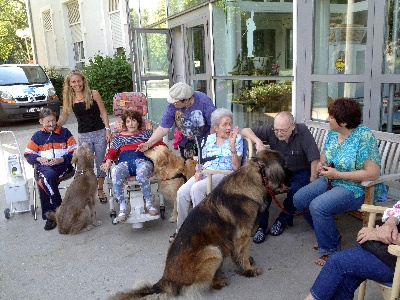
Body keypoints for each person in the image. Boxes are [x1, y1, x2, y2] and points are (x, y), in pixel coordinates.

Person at [294, 98, 386, 266]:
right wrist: (322, 164)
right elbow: (324, 154)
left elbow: (372, 174)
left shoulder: (364, 137)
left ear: (343, 122)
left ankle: (330, 249)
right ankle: (329, 235)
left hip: (357, 188)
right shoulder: (333, 132)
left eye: (331, 117)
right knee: (299, 198)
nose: (327, 119)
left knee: (318, 206)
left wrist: (338, 175)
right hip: (333, 179)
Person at [241, 111, 320, 243]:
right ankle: (262, 226)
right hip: (279, 171)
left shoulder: (302, 131)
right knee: (262, 186)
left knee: (297, 189)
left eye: (282, 130)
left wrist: (313, 180)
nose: (278, 133)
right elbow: (245, 130)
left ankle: (282, 220)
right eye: (276, 130)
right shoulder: (272, 130)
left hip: (299, 170)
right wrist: (258, 141)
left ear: (293, 126)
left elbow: (314, 157)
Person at [170, 108, 243, 242]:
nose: (228, 127)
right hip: (205, 173)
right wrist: (198, 171)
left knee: (197, 189)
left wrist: (232, 146)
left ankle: (202, 231)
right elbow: (201, 160)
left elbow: (236, 167)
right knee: (181, 192)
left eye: (230, 124)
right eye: (224, 124)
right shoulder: (208, 140)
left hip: (224, 175)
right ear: (216, 127)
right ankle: (181, 232)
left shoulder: (236, 139)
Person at [304, 201, 400, 300]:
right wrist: (390, 223)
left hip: (395, 258)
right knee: (344, 279)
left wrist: (377, 234)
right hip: (384, 249)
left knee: (338, 262)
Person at [58, 69, 111, 204]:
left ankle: (100, 189)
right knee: (87, 165)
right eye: (73, 82)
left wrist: (108, 129)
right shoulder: (70, 98)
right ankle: (89, 191)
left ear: (83, 81)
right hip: (84, 135)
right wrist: (54, 126)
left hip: (99, 132)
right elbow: (64, 115)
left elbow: (104, 112)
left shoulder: (94, 94)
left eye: (78, 81)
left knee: (101, 163)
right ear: (70, 84)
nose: (77, 84)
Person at [100, 110, 163, 222]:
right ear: (125, 124)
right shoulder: (119, 137)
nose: (131, 124)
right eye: (128, 121)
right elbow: (112, 151)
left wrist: (166, 153)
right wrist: (108, 161)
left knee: (142, 172)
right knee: (115, 172)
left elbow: (160, 145)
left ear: (138, 122)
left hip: (142, 160)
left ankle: (148, 203)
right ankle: (123, 207)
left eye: (133, 121)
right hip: (124, 163)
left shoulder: (146, 134)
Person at [24, 108, 78, 230]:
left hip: (61, 166)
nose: (51, 124)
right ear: (41, 122)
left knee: (43, 182)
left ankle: (50, 216)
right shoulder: (37, 136)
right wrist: (38, 159)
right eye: (47, 121)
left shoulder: (65, 133)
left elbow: (75, 152)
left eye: (53, 120)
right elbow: (28, 154)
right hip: (43, 166)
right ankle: (59, 209)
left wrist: (62, 159)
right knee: (47, 178)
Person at [137, 82, 216, 159]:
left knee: (204, 166)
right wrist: (148, 143)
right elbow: (163, 128)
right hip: (186, 142)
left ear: (186, 100)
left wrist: (209, 145)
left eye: (176, 102)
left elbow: (214, 125)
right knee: (187, 168)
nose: (173, 104)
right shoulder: (172, 106)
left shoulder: (204, 102)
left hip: (205, 140)